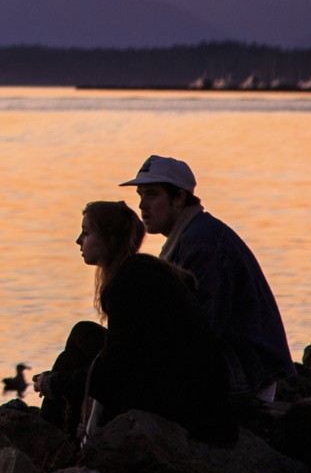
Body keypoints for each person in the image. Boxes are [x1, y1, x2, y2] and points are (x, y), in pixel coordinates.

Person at [38, 200, 236, 443]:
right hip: (184, 385)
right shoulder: (142, 272)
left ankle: (49, 444)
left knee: (69, 363)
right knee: (81, 336)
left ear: (109, 240)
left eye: (86, 233)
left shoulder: (127, 284)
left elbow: (113, 371)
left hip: (178, 401)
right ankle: (56, 438)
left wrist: (55, 384)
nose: (79, 241)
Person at [120, 154, 292, 403]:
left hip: (245, 373)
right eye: (141, 195)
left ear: (178, 198)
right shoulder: (190, 235)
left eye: (152, 194)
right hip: (233, 363)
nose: (142, 205)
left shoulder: (201, 243)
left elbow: (202, 328)